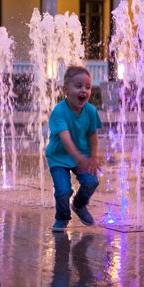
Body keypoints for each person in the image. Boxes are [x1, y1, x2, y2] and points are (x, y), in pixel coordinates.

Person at [46, 65, 102, 232]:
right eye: (78, 86)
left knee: (92, 181)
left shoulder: (91, 111)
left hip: (82, 156)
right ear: (66, 90)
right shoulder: (59, 112)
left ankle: (78, 205)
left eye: (87, 87)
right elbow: (65, 139)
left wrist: (92, 157)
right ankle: (62, 217)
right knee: (63, 191)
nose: (83, 90)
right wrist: (79, 158)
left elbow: (93, 136)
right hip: (59, 157)